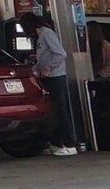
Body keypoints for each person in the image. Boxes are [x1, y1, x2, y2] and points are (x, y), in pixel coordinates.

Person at [30, 13, 79, 156]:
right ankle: (57, 142)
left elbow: (60, 54)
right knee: (54, 111)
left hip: (55, 77)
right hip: (48, 76)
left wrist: (48, 68)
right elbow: (43, 58)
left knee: (60, 110)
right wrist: (35, 69)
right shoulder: (41, 36)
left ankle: (69, 144)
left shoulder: (46, 34)